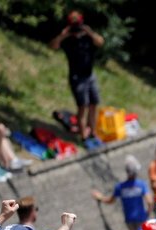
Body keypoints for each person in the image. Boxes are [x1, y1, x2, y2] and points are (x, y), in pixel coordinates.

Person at [49, 10, 105, 142]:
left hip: (90, 75)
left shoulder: (87, 37)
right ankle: (83, 136)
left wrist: (89, 32)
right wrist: (63, 35)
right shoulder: (68, 41)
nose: (77, 28)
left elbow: (100, 42)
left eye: (78, 25)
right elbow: (53, 46)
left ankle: (92, 132)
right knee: (82, 107)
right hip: (77, 78)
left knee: (93, 104)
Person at [92, 154, 151, 230]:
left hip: (129, 219)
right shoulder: (141, 185)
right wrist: (147, 213)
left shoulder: (120, 187)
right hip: (141, 217)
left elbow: (110, 200)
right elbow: (150, 201)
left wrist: (100, 197)